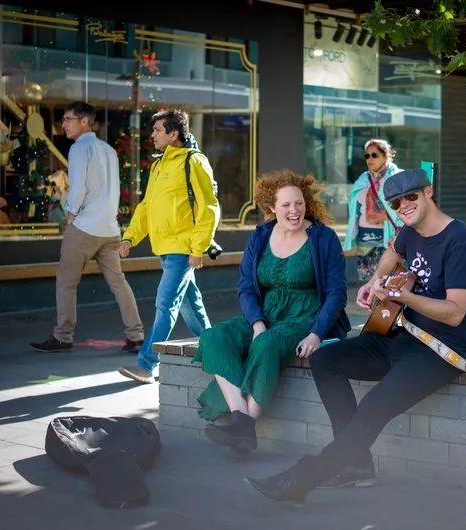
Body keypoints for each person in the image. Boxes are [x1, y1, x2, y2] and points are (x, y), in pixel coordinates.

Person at [245, 168, 466, 506]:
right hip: (400, 336)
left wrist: (404, 298)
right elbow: (393, 252)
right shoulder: (411, 231)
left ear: (429, 192)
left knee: (373, 407)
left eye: (411, 196)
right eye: (396, 202)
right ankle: (356, 465)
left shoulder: (460, 240)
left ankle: (303, 478)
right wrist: (376, 281)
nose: (403, 205)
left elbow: (455, 312)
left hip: (439, 351)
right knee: (325, 359)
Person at [195, 170, 350, 454]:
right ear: (271, 208)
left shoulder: (323, 238)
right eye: (286, 205)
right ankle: (243, 422)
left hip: (307, 315)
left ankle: (243, 426)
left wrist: (317, 333)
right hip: (265, 313)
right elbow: (246, 288)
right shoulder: (260, 236)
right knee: (214, 337)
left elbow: (337, 293)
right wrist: (256, 323)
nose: (295, 210)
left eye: (299, 203)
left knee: (267, 344)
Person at [30, 101, 144, 353]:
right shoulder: (109, 151)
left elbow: (78, 186)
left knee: (66, 282)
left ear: (84, 121)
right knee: (118, 282)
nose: (63, 124)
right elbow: (114, 190)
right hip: (110, 228)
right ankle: (135, 335)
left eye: (68, 119)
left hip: (84, 227)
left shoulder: (80, 148)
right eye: (63, 119)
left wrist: (70, 213)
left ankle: (63, 336)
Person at [117, 109, 220, 384]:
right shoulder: (159, 164)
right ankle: (218, 352)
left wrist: (198, 248)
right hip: (164, 247)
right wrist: (130, 237)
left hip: (183, 249)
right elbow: (147, 207)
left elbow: (210, 207)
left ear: (174, 134)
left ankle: (147, 364)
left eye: (158, 130)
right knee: (191, 305)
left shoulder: (194, 161)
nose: (152, 135)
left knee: (166, 303)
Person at [343, 138, 403, 282]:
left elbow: (401, 206)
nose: (369, 159)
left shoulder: (396, 177)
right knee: (367, 278)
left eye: (374, 155)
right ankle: (370, 304)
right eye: (367, 155)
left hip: (387, 236)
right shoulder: (364, 178)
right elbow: (354, 205)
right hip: (365, 236)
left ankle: (386, 304)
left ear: (385, 156)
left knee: (385, 278)